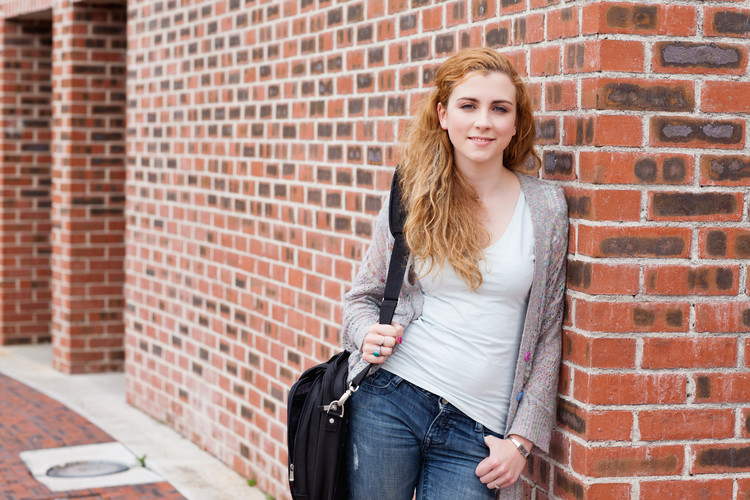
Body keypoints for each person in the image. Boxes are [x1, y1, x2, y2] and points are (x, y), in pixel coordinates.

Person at [341, 48, 568, 499]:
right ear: (443, 115)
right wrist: (366, 332)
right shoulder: (412, 193)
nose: (483, 121)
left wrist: (521, 443)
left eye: (499, 109)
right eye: (469, 105)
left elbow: (546, 331)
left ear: (516, 122)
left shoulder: (545, 206)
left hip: (479, 430)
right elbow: (362, 297)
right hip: (391, 396)